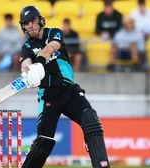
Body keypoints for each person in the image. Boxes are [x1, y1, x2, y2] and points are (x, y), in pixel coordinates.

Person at [18, 6, 110, 168]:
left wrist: (39, 63)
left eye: (32, 21)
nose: (30, 26)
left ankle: (101, 165)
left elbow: (51, 47)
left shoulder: (54, 32)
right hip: (48, 95)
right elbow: (25, 64)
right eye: (26, 23)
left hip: (69, 91)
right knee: (43, 141)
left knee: (91, 120)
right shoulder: (26, 47)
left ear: (40, 20)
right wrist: (27, 74)